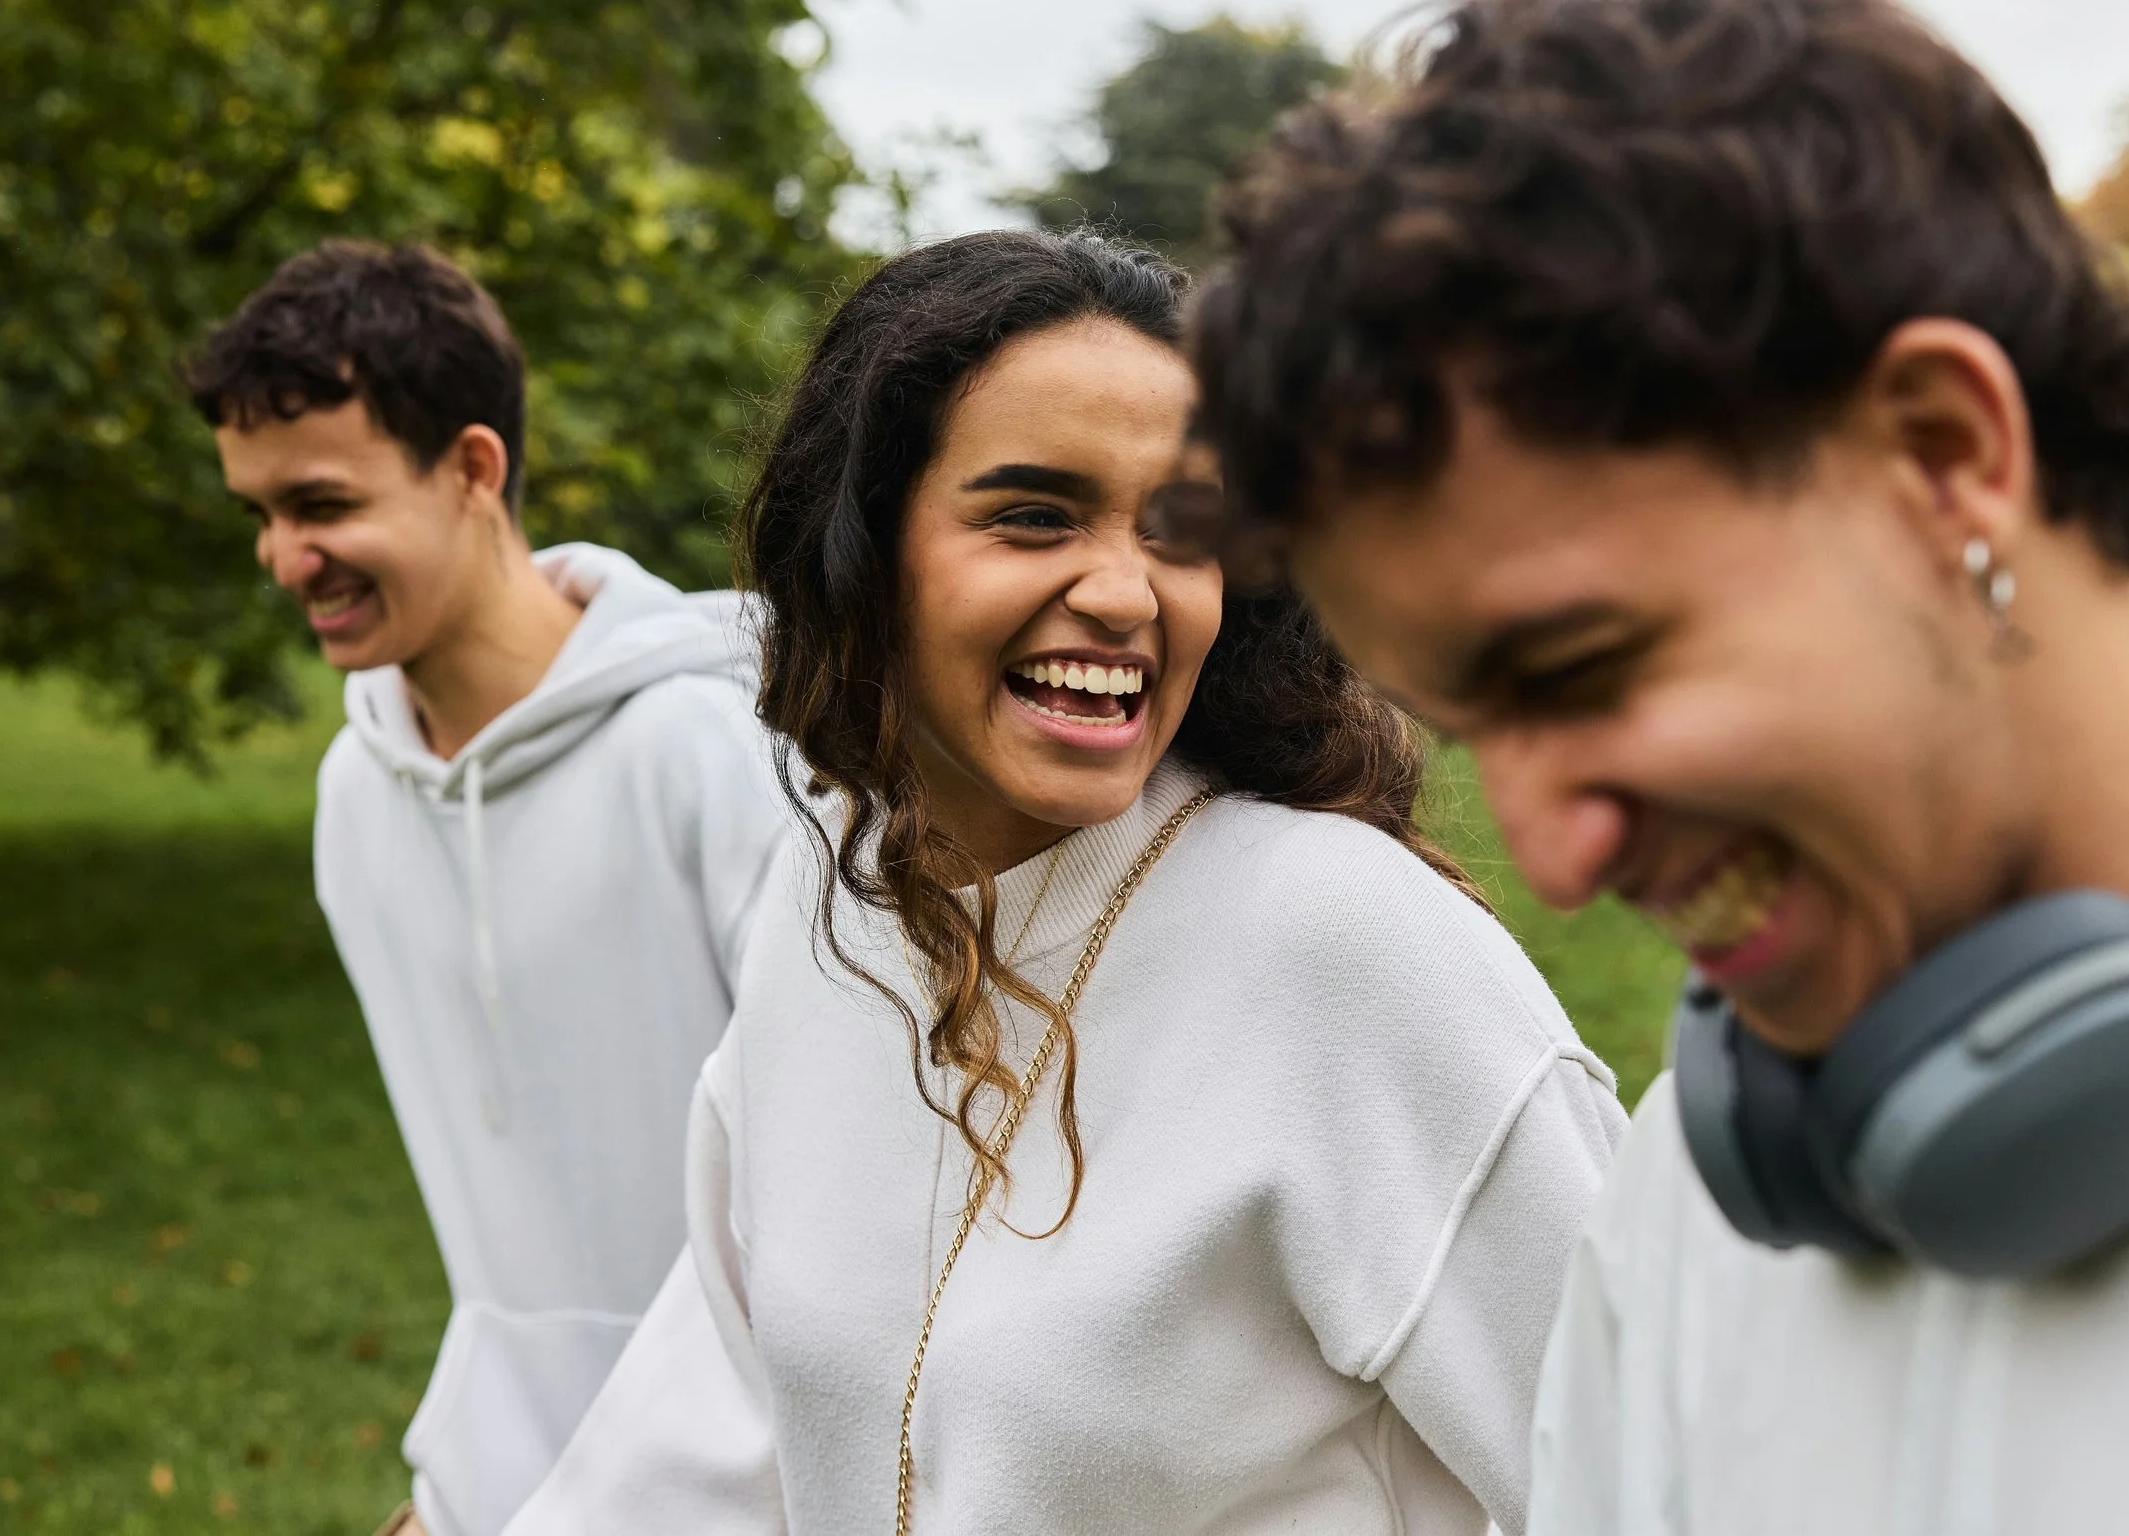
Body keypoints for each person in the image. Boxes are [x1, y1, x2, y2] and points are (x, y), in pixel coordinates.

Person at [1185, 0, 2129, 1536]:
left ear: (1943, 456)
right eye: (1467, 729)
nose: (1561, 864)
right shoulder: (1686, 1198)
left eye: (1585, 666)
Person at [505, 228, 1626, 1535]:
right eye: (1035, 514)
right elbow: (725, 1419)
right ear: (862, 552)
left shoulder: (1352, 946)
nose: (1124, 591)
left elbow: (1650, 1471)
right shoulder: (827, 914)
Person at [188, 240, 788, 1536]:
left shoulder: (709, 751)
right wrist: (468, 1489)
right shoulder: (357, 793)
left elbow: (826, 1208)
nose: (287, 558)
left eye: (322, 505)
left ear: (472, 468)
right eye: (263, 516)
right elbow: (514, 1243)